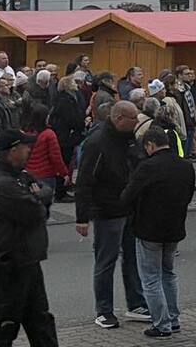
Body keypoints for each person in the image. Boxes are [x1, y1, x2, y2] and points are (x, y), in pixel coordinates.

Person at [75, 100, 149, 329]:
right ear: (119, 119)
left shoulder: (129, 140)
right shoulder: (97, 143)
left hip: (129, 208)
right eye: (133, 118)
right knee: (106, 260)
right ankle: (104, 310)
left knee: (132, 257)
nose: (137, 122)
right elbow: (85, 180)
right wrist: (82, 217)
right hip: (107, 210)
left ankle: (135, 303)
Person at [0, 129, 58, 347]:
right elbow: (35, 213)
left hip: (27, 260)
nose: (29, 150)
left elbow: (45, 190)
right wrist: (38, 198)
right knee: (3, 327)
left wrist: (38, 196)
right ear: (13, 150)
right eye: (26, 146)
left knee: (40, 322)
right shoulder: (3, 183)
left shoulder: (18, 175)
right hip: (8, 265)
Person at [121, 125, 195, 338]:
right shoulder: (185, 166)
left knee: (151, 278)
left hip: (148, 229)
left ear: (150, 145)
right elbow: (188, 195)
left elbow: (128, 196)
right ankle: (173, 318)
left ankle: (161, 324)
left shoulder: (147, 167)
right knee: (168, 274)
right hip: (174, 227)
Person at [22, 106, 68, 218]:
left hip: (28, 174)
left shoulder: (26, 133)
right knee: (44, 206)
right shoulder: (49, 134)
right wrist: (64, 173)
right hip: (46, 175)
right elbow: (56, 157)